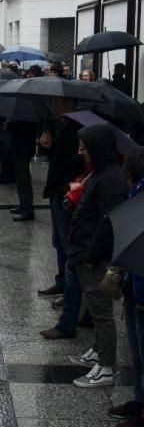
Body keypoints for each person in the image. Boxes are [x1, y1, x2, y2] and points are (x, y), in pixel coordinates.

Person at [42, 125, 127, 384]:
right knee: (92, 303)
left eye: (84, 148)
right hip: (85, 251)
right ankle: (98, 351)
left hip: (94, 254)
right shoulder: (98, 173)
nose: (81, 153)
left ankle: (106, 366)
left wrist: (90, 253)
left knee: (101, 312)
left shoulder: (111, 178)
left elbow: (107, 221)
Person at [109, 147, 144, 427]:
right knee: (137, 351)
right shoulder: (136, 192)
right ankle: (139, 400)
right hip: (135, 284)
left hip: (142, 286)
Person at [36, 101, 82, 297]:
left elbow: (73, 162)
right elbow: (56, 158)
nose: (54, 106)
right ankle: (62, 281)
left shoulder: (76, 130)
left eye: (58, 102)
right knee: (58, 241)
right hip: (57, 190)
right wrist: (47, 146)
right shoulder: (61, 126)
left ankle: (71, 290)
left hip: (66, 192)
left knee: (66, 242)